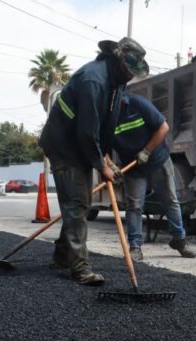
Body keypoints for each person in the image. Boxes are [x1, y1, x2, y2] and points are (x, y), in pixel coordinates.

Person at [38, 37, 148, 286]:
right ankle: (80, 268)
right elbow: (86, 132)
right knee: (77, 203)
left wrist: (106, 156)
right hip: (63, 146)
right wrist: (101, 165)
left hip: (80, 145)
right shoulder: (93, 80)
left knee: (81, 203)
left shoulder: (115, 82)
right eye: (129, 70)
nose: (131, 76)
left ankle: (61, 255)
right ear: (118, 62)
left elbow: (104, 125)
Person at [111, 93, 196, 261]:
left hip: (157, 159)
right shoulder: (105, 118)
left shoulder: (137, 103)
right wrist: (109, 164)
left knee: (170, 200)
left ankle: (179, 240)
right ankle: (135, 246)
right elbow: (100, 144)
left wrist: (146, 151)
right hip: (133, 166)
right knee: (134, 206)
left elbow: (163, 127)